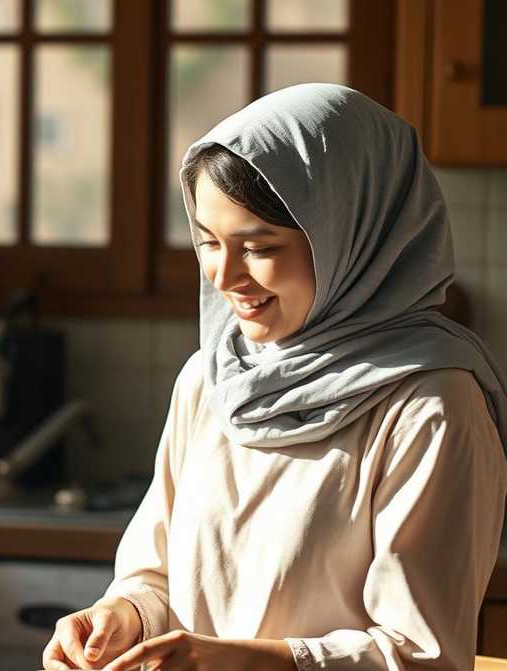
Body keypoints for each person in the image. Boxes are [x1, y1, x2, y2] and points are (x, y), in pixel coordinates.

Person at [42, 83, 507, 671]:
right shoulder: (210, 380)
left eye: (258, 247)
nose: (223, 276)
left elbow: (423, 655)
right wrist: (124, 614)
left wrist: (239, 661)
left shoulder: (430, 406)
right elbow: (158, 575)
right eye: (209, 242)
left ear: (350, 239)